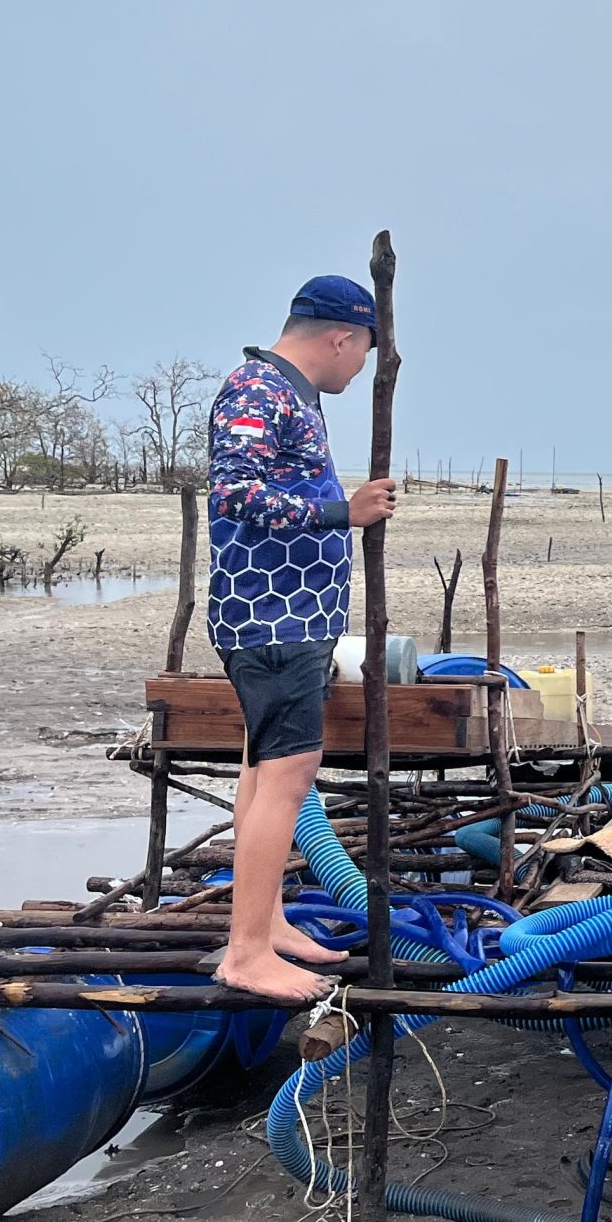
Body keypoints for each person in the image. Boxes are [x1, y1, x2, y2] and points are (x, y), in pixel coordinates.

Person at [202, 276, 400, 1004]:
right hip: (271, 618)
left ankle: (266, 919)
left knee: (263, 769)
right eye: (363, 355)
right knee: (288, 775)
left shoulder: (290, 394)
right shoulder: (259, 390)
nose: (359, 371)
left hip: (295, 618)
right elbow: (236, 492)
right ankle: (246, 951)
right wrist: (339, 512)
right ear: (341, 337)